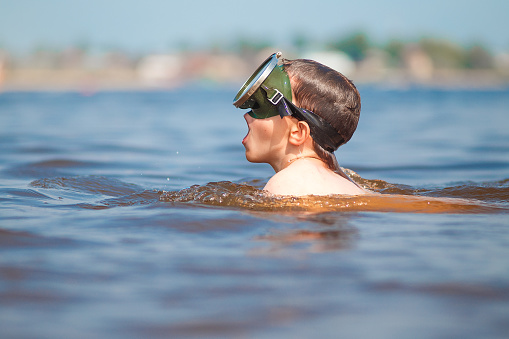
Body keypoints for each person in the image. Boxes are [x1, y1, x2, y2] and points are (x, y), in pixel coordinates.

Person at [233, 52, 367, 196]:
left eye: (263, 106)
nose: (247, 115)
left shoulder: (287, 183)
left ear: (298, 132)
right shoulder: (353, 186)